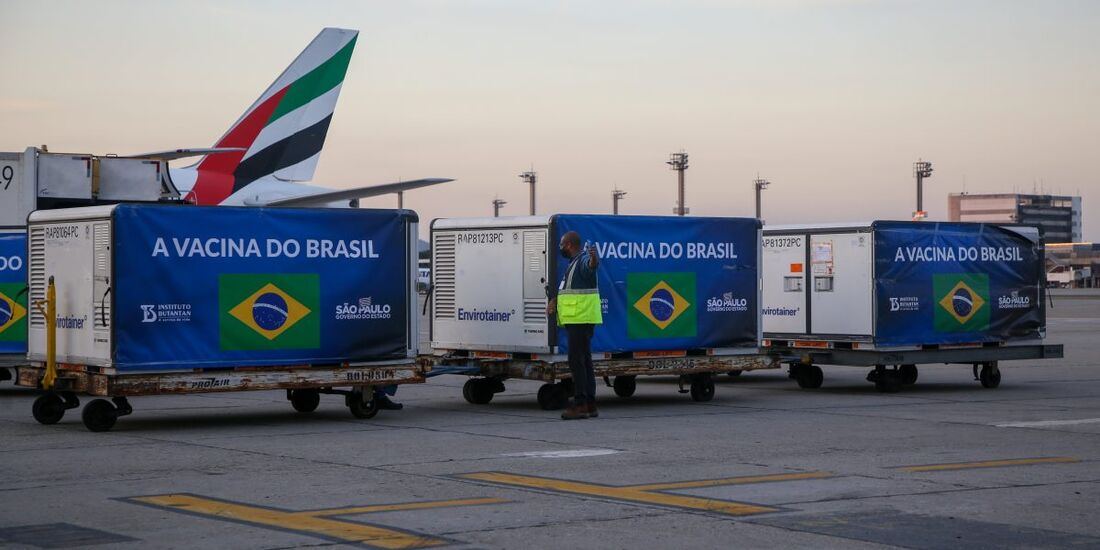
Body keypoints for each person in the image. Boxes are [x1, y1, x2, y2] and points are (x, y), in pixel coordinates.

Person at [547, 230, 602, 420]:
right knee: (584, 361)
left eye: (562, 244)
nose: (561, 247)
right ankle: (589, 404)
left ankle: (580, 404)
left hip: (581, 318)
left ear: (569, 245)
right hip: (578, 319)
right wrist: (554, 301)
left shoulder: (583, 260)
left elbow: (591, 267)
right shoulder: (572, 264)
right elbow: (568, 291)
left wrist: (595, 260)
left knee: (576, 361)